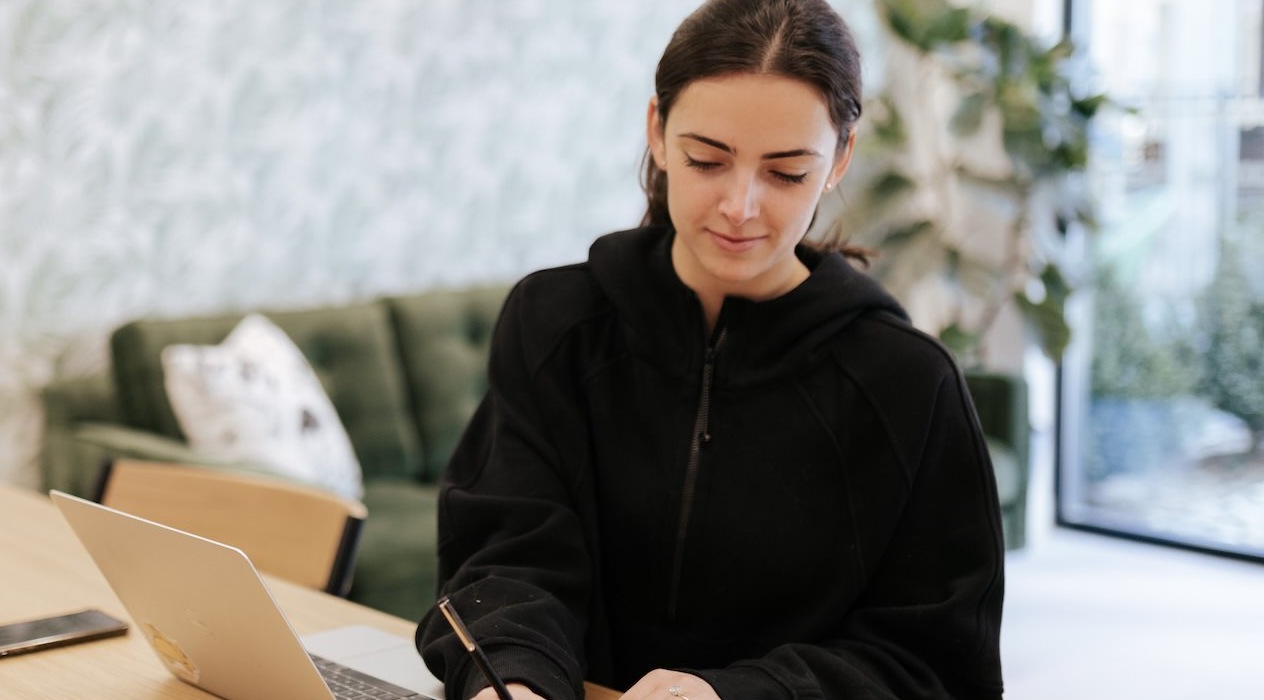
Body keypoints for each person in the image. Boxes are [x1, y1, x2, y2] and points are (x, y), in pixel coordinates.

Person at [412, 0, 1006, 699]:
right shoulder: (554, 324)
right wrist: (509, 679)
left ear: (841, 158)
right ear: (657, 132)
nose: (740, 206)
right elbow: (507, 557)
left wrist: (736, 694)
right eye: (707, 160)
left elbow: (934, 664)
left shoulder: (910, 385)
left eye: (785, 173)